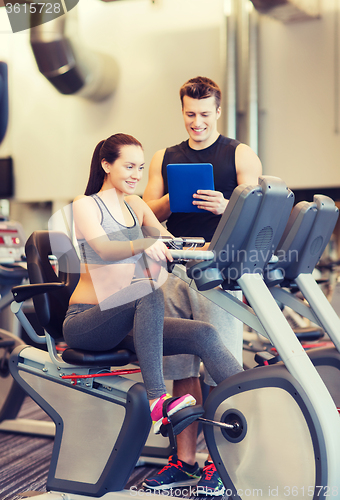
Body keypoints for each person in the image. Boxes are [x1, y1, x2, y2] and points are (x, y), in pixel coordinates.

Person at [62, 132, 243, 437]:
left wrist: (225, 247)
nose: (136, 175)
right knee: (147, 288)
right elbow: (104, 247)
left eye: (141, 168)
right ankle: (158, 401)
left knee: (205, 334)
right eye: (129, 166)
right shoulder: (85, 205)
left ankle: (256, 399)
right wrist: (145, 242)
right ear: (106, 165)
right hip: (87, 322)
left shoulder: (136, 205)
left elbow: (174, 245)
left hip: (131, 323)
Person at [142, 77, 262, 494]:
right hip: (175, 264)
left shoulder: (240, 154)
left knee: (220, 365)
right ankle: (186, 461)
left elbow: (260, 211)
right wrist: (173, 199)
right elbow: (146, 209)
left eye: (205, 115)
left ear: (218, 111)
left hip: (219, 264)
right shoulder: (165, 156)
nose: (197, 122)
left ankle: (222, 464)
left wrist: (227, 205)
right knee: (180, 367)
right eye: (190, 115)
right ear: (183, 111)